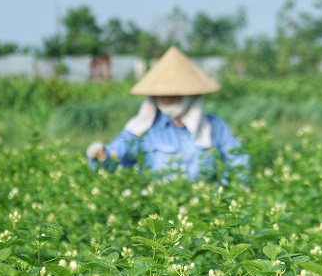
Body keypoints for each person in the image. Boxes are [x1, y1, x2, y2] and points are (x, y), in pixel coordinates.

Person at [86, 46, 250, 181]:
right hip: (158, 212)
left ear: (191, 94)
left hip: (205, 211)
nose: (166, 98)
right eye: (162, 94)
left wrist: (226, 197)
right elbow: (117, 157)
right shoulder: (145, 128)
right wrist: (101, 155)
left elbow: (238, 162)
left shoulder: (213, 126)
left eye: (174, 94)